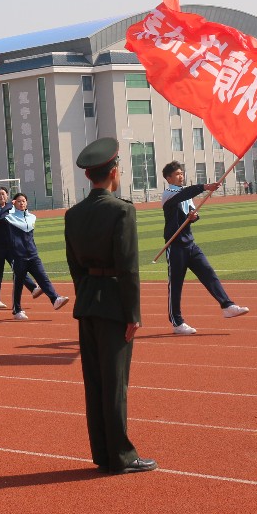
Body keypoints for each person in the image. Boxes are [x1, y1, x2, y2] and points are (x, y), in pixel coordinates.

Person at [65, 137, 156, 475]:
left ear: (89, 175)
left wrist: (86, 294)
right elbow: (128, 266)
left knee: (95, 382)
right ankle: (122, 456)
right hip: (114, 303)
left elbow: (74, 266)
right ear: (114, 171)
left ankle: (103, 452)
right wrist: (133, 313)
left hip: (88, 300)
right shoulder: (122, 210)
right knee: (116, 383)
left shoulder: (73, 214)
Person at [160, 161, 249, 335]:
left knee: (208, 272)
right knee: (176, 285)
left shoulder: (185, 194)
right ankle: (177, 322)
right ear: (168, 178)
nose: (181, 176)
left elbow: (191, 213)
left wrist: (193, 217)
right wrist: (205, 187)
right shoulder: (169, 193)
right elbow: (184, 194)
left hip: (190, 243)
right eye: (177, 174)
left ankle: (227, 305)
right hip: (175, 245)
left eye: (181, 173)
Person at [5, 193, 68, 320]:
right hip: (19, 256)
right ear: (14, 203)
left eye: (23, 201)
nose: (21, 203)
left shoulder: (32, 217)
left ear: (26, 202)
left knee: (43, 278)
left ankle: (55, 299)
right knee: (18, 284)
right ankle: (17, 310)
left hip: (33, 255)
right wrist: (8, 205)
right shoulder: (9, 218)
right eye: (18, 201)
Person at [0, 187, 39, 309]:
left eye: (3, 194)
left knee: (19, 267)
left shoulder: (12, 208)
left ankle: (33, 288)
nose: (1, 196)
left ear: (7, 195)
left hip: (11, 244)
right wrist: (9, 206)